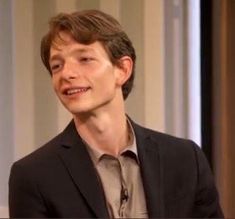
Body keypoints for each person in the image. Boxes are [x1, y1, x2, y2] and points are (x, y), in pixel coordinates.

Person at [9, 9, 223, 218]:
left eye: (84, 59)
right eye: (57, 65)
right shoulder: (33, 176)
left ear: (122, 69)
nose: (67, 73)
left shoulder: (185, 159)